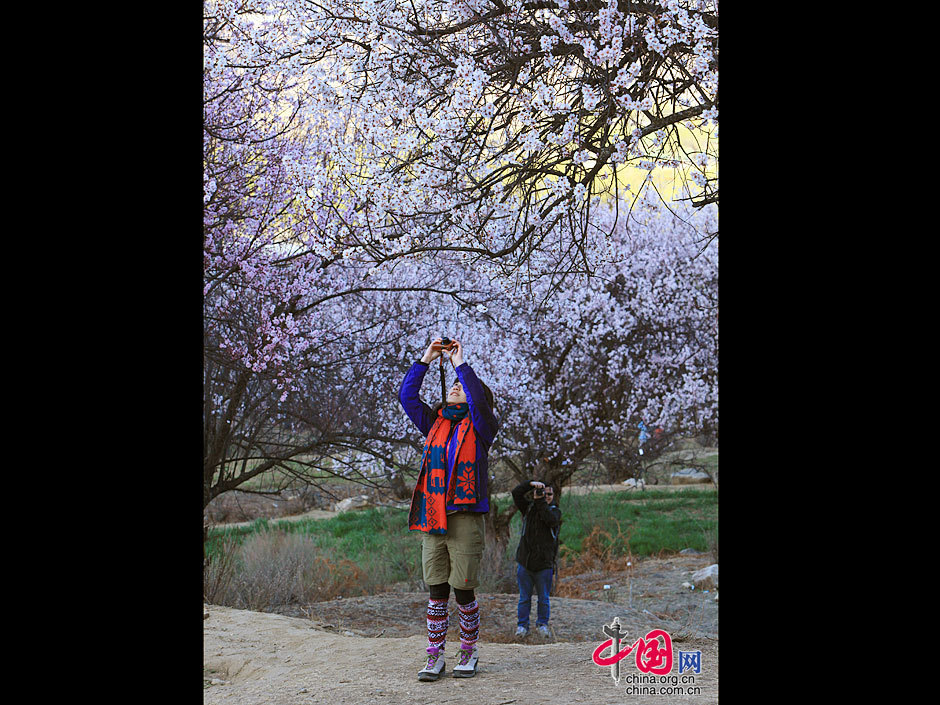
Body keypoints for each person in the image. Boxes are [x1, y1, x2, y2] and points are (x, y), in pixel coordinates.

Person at [399, 337, 499, 682]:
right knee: (436, 591)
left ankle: (468, 651)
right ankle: (435, 655)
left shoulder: (483, 428)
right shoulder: (435, 424)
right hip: (434, 516)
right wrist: (427, 358)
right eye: (454, 384)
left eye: (462, 386)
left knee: (464, 590)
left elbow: (478, 401)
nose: (456, 387)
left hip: (465, 517)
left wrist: (460, 363)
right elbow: (407, 397)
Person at [511, 478, 561, 639]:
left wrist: (540, 502)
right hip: (525, 562)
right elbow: (516, 493)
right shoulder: (528, 509)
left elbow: (549, 519)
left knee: (543, 599)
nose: (545, 496)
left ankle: (542, 625)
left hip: (544, 564)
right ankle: (522, 626)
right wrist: (530, 484)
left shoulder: (555, 512)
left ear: (553, 496)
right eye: (542, 493)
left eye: (549, 494)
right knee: (524, 598)